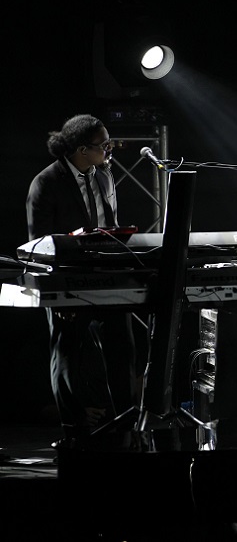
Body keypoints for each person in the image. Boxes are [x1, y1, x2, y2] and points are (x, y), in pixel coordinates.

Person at [26, 113, 138, 446]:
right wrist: (57, 291)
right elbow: (39, 246)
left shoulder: (103, 176)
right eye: (103, 146)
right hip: (68, 281)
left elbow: (111, 226)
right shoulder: (46, 183)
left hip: (106, 277)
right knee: (67, 351)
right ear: (81, 149)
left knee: (123, 346)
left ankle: (126, 423)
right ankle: (74, 430)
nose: (109, 151)